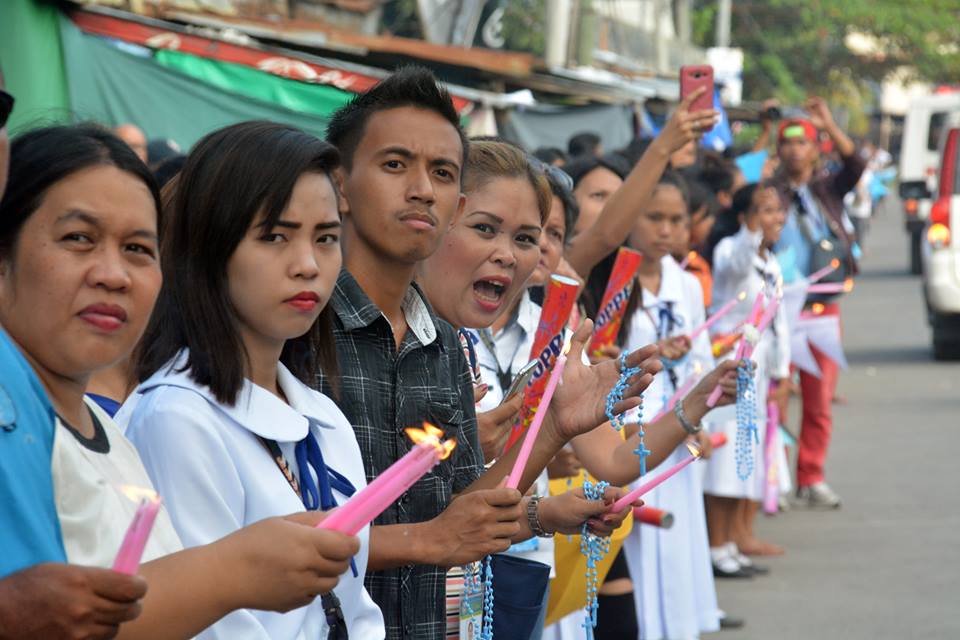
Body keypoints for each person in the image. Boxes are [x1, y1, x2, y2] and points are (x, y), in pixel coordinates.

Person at [321, 66, 654, 639]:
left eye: (442, 172)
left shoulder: (445, 344)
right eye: (396, 164)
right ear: (339, 183)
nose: (423, 188)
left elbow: (459, 518)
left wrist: (551, 429)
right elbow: (276, 540)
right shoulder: (304, 332)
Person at [0, 122, 363, 640]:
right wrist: (232, 572)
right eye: (78, 238)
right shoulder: (164, 417)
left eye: (138, 249)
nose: (114, 274)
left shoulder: (111, 443)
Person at [118, 121, 385, 638]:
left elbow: (355, 609)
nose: (308, 265)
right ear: (211, 246)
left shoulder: (325, 420)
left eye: (326, 238)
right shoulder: (176, 419)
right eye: (275, 237)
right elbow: (210, 624)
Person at [417, 139, 637, 640]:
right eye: (484, 229)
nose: (506, 254)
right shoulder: (389, 342)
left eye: (527, 237)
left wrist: (695, 409)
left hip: (496, 584)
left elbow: (459, 516)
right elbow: (385, 534)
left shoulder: (524, 337)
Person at [616, 171, 721, 640]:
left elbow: (700, 358)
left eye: (676, 220)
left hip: (679, 423)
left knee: (678, 539)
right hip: (629, 428)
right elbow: (600, 357)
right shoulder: (615, 282)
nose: (665, 230)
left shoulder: (686, 283)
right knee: (638, 538)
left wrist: (699, 415)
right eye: (653, 217)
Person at [771, 98, 864, 508]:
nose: (795, 151)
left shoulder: (828, 188)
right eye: (787, 144)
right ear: (779, 150)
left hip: (823, 309)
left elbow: (857, 164)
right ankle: (777, 479)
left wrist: (828, 122)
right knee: (775, 398)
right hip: (777, 312)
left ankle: (812, 475)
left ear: (815, 148)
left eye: (803, 143)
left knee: (819, 401)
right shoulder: (767, 193)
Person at [702, 182, 792, 576]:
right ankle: (715, 546)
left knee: (744, 459)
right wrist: (751, 231)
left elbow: (779, 324)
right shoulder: (730, 251)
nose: (775, 219)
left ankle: (730, 544)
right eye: (764, 211)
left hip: (756, 375)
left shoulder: (772, 263)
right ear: (745, 217)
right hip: (726, 372)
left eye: (777, 211)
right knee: (722, 462)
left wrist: (782, 374)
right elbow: (737, 263)